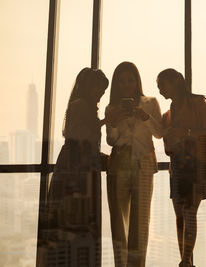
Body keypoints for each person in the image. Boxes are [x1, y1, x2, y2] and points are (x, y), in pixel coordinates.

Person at [44, 68, 109, 267]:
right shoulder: (82, 106)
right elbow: (82, 138)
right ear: (89, 87)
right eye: (99, 89)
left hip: (74, 169)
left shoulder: (79, 105)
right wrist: (105, 122)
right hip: (77, 173)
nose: (100, 94)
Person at [157, 68, 206, 267]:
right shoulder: (167, 115)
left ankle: (185, 260)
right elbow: (167, 146)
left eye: (162, 84)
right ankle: (186, 260)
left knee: (189, 211)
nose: (159, 90)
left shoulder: (198, 104)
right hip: (178, 165)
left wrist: (186, 133)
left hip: (198, 164)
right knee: (180, 215)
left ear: (175, 82)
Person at [105, 61, 163, 267]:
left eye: (130, 80)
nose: (126, 85)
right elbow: (110, 140)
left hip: (143, 163)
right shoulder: (111, 107)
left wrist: (145, 117)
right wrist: (112, 122)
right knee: (118, 224)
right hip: (118, 163)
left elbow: (160, 133)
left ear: (137, 81)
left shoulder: (151, 103)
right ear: (116, 84)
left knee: (140, 223)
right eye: (121, 82)